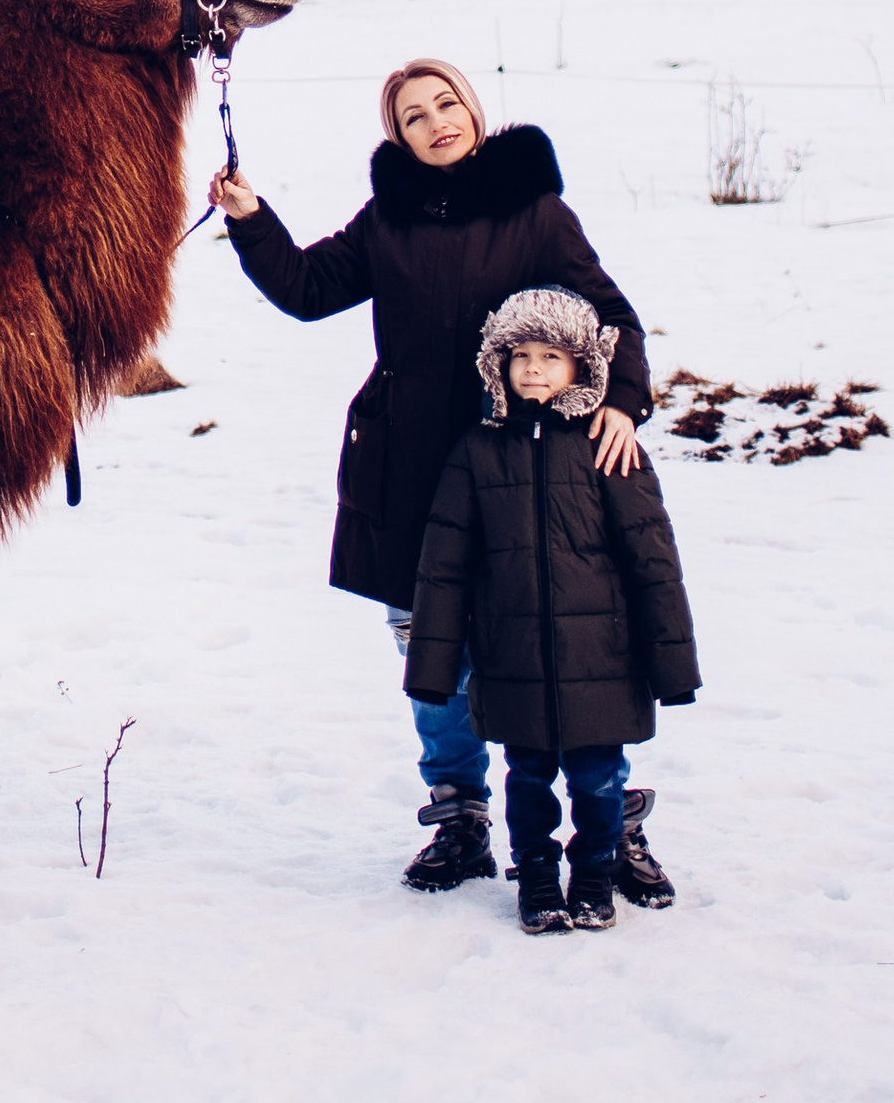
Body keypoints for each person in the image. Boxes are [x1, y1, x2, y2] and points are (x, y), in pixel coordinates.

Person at [215, 58, 672, 904]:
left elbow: (610, 316)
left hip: (525, 475)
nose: (435, 123)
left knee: (558, 647)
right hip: (411, 477)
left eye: (445, 103)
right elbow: (309, 290)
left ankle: (609, 818)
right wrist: (251, 219)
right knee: (437, 656)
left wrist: (625, 403)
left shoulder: (532, 208)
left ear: (474, 108)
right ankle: (460, 815)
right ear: (399, 137)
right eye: (413, 116)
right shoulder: (387, 220)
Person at [403, 288, 699, 933]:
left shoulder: (608, 448)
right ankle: (535, 878)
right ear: (497, 366)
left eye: (552, 356)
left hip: (604, 663)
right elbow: (445, 570)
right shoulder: (476, 453)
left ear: (583, 368)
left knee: (598, 782)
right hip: (513, 663)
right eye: (520, 355)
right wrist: (432, 667)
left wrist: (672, 665)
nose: (533, 368)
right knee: (528, 782)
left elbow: (653, 560)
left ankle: (594, 875)